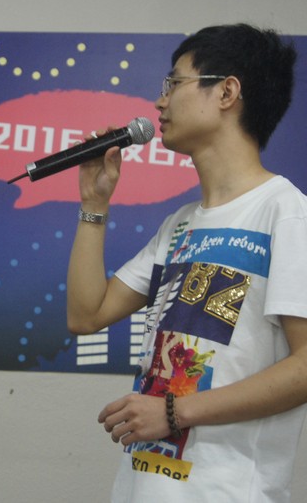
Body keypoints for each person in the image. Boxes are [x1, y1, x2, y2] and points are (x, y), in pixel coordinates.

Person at [66, 24, 307, 501]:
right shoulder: (179, 225)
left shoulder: (285, 213)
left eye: (173, 83)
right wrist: (94, 205)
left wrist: (175, 412)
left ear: (227, 92)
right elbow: (85, 314)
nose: (160, 103)